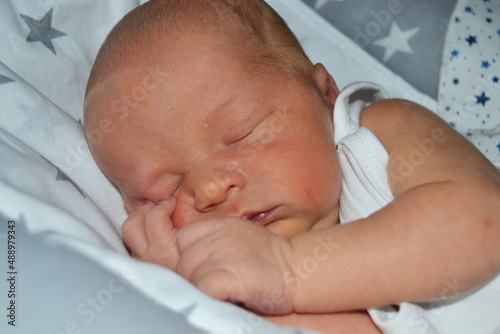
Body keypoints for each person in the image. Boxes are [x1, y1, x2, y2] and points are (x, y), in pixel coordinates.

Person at [83, 0, 500, 333]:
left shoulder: (378, 135)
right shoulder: (247, 289)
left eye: (243, 133)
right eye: (163, 193)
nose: (209, 189)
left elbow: (483, 221)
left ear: (326, 95)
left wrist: (286, 269)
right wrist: (178, 293)